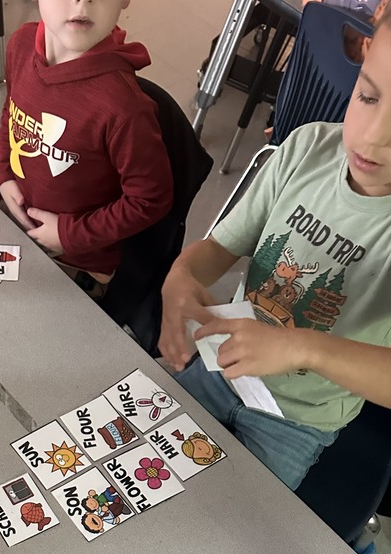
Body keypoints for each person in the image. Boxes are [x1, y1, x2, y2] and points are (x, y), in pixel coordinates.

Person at [158, 6, 391, 491]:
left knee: (225, 526)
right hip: (220, 367)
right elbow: (217, 250)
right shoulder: (308, 148)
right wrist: (181, 277)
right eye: (367, 96)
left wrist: (303, 346)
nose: (373, 137)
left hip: (296, 420)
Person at [0, 0, 173, 296]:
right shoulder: (20, 43)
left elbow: (151, 199)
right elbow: (11, 111)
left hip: (77, 261)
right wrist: (4, 174)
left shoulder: (125, 108)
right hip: (15, 222)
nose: (83, 1)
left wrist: (68, 235)